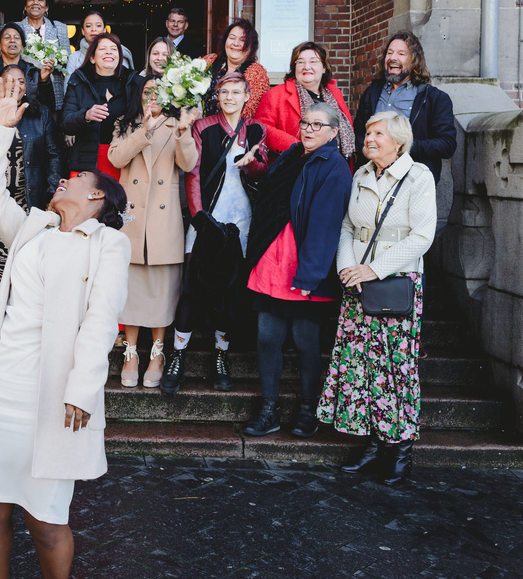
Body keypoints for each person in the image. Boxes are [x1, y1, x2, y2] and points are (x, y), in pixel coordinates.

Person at [0, 75, 131, 579]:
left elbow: (100, 322)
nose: (67, 178)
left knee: (46, 519)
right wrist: (0, 131)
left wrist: (83, 390)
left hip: (52, 396)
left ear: (97, 200)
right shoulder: (34, 227)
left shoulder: (108, 245)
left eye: (79, 178)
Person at [317, 111, 437, 486]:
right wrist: (348, 269)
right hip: (358, 284)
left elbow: (422, 237)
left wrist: (374, 269)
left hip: (395, 283)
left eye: (377, 133)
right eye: (367, 132)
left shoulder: (419, 177)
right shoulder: (362, 174)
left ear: (398, 141)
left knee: (395, 369)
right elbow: (349, 227)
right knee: (362, 367)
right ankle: (372, 443)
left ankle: (400, 449)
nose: (368, 139)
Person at [240, 103, 352, 440]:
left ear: (334, 132)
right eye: (305, 123)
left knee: (306, 341)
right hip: (273, 263)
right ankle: (269, 408)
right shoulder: (292, 155)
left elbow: (325, 225)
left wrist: (310, 276)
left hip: (305, 267)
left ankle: (308, 409)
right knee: (266, 337)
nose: (308, 129)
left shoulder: (334, 166)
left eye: (318, 125)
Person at [163, 73, 270, 395]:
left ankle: (221, 356)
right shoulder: (204, 126)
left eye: (237, 92)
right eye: (224, 92)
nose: (230, 97)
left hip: (241, 222)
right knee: (192, 290)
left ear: (247, 95)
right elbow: (192, 172)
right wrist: (199, 218)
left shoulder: (256, 129)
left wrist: (252, 163)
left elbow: (261, 170)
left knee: (229, 293)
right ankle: (177, 355)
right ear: (217, 95)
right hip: (207, 220)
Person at [107, 77, 199, 388]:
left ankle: (157, 353)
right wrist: (143, 130)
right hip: (132, 217)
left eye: (159, 92)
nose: (153, 97)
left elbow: (188, 164)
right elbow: (116, 158)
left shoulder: (177, 123)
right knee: (130, 290)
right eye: (147, 91)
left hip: (163, 216)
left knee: (161, 290)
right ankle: (131, 353)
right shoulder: (125, 123)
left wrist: (184, 133)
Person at [0, 64, 62, 290]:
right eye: (9, 81)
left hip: (32, 200)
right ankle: (2, 309)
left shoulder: (41, 114)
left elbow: (54, 155)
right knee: (0, 265)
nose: (15, 85)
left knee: (29, 261)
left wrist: (51, 193)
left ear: (26, 89)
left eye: (21, 82)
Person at [352, 31, 456, 183]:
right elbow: (358, 131)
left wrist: (402, 147)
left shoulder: (435, 98)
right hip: (372, 178)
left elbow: (447, 145)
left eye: (401, 53)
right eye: (389, 52)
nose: (393, 57)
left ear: (414, 60)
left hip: (412, 181)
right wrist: (365, 148)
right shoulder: (372, 92)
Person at [61, 33, 145, 180]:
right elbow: (66, 123)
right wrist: (86, 116)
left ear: (119, 56)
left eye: (114, 49)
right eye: (103, 49)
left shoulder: (134, 83)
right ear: (92, 57)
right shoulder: (79, 79)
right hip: (86, 161)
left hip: (123, 160)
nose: (109, 52)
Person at [256, 41, 355, 161]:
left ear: (324, 68)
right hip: (295, 168)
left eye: (313, 61)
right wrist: (299, 148)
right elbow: (261, 128)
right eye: (301, 62)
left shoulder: (335, 95)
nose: (306, 67)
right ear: (294, 67)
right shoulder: (276, 95)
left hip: (335, 168)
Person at [203, 18, 270, 119]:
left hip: (234, 132)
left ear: (251, 46)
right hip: (200, 129)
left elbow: (250, 113)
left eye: (243, 40)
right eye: (232, 38)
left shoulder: (257, 74)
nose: (236, 43)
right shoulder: (209, 62)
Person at [18, 0, 70, 107]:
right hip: (24, 91)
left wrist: (54, 62)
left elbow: (67, 60)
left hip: (53, 90)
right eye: (31, 0)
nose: (35, 3)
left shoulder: (59, 28)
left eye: (40, 0)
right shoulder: (15, 29)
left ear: (46, 7)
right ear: (25, 6)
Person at [65, 10, 134, 74]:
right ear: (83, 31)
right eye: (88, 26)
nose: (94, 29)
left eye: (98, 25)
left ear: (104, 30)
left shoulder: (118, 53)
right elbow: (68, 86)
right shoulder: (74, 58)